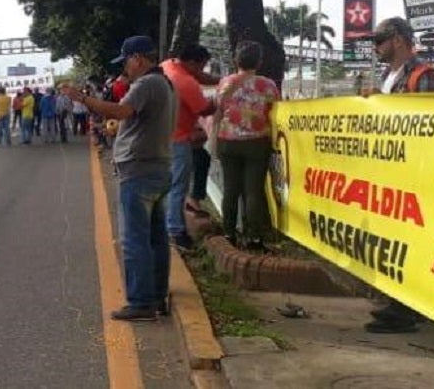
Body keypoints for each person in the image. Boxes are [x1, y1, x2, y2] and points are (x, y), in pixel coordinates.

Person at [63, 35, 175, 321]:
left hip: (139, 169)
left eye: (126, 61)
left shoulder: (147, 83)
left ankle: (141, 302)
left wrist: (83, 98)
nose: (125, 68)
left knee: (135, 239)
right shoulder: (164, 83)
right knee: (155, 237)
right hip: (157, 166)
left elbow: (121, 110)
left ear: (137, 58)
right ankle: (157, 295)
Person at [364, 17, 434, 334]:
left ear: (397, 40)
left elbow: (430, 123)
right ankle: (398, 302)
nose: (376, 48)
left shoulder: (423, 76)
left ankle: (408, 308)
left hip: (415, 175)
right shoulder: (388, 76)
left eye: (380, 41)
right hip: (391, 173)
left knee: (412, 242)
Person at [215, 41, 280, 249]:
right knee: (253, 190)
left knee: (230, 189)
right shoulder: (268, 85)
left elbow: (219, 107)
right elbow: (276, 110)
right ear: (259, 62)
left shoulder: (225, 82)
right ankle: (254, 238)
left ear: (236, 60)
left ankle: (228, 234)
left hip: (228, 141)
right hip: (257, 142)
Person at [161, 44, 216, 249]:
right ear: (192, 63)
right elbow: (205, 109)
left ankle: (170, 222)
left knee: (169, 184)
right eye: (201, 67)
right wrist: (219, 99)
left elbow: (201, 79)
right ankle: (175, 230)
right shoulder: (185, 82)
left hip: (162, 134)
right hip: (178, 138)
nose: (202, 72)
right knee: (178, 187)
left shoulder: (168, 66)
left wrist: (223, 81)